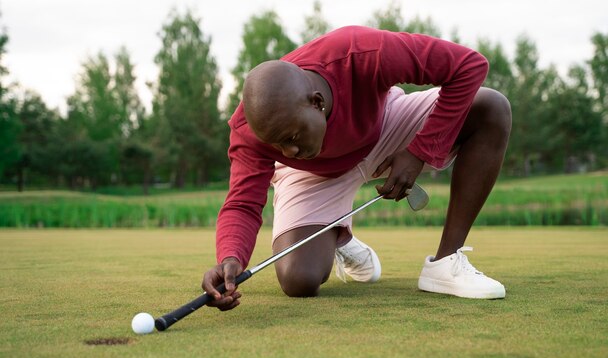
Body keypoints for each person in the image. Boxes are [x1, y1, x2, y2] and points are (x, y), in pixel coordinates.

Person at [202, 25, 512, 311]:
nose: (289, 152)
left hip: (384, 126)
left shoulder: (361, 51)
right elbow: (242, 203)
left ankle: (445, 262)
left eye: (291, 138)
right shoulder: (251, 129)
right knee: (299, 280)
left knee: (491, 108)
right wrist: (231, 258)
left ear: (317, 102)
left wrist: (419, 150)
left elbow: (469, 66)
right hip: (313, 174)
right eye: (277, 146)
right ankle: (340, 236)